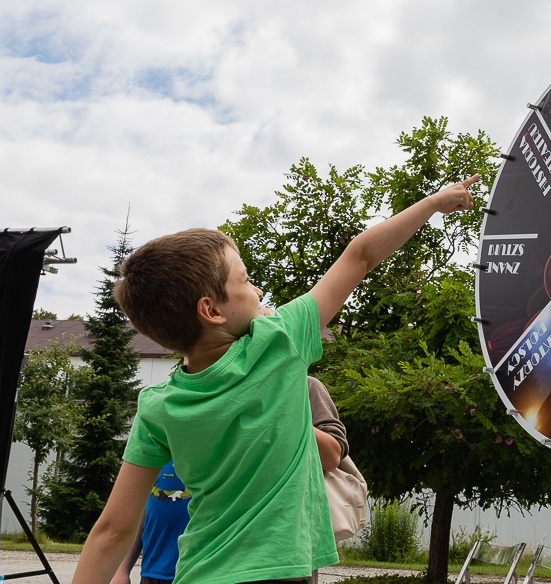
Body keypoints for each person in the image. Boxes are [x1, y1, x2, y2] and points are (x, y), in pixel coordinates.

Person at [71, 174, 477, 584]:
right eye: (245, 280)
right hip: (279, 574)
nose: (258, 288)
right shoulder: (279, 342)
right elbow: (361, 256)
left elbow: (113, 531)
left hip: (197, 573)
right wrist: (433, 203)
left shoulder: (159, 405)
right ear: (211, 310)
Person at [110, 377, 347, 584]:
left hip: (264, 561)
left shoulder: (302, 385)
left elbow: (332, 456)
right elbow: (142, 502)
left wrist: (278, 403)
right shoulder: (173, 400)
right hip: (171, 562)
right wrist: (122, 568)